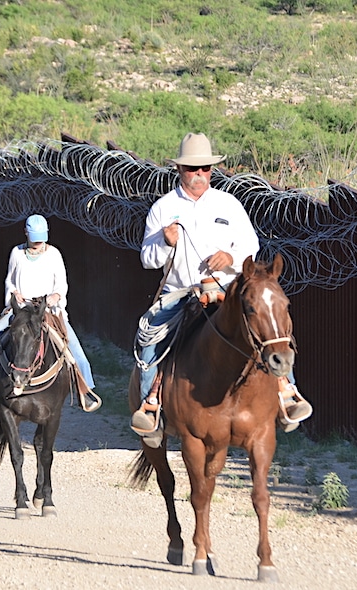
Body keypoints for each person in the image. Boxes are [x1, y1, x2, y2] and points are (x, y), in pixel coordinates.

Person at [131, 132, 312, 445]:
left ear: (211, 170)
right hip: (181, 292)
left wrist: (231, 258)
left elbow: (250, 248)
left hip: (227, 292)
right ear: (179, 170)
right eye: (191, 168)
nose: (198, 174)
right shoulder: (163, 208)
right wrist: (164, 241)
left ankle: (287, 391)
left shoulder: (229, 205)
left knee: (268, 325)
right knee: (149, 342)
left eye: (204, 168)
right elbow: (147, 259)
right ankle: (152, 406)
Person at [0, 214, 101, 412]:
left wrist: (55, 297)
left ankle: (85, 390)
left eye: (41, 238)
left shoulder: (54, 254)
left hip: (47, 311)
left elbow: (61, 284)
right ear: (26, 233)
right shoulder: (17, 253)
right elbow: (10, 281)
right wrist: (14, 293)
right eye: (34, 237)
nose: (38, 242)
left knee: (74, 350)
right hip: (20, 310)